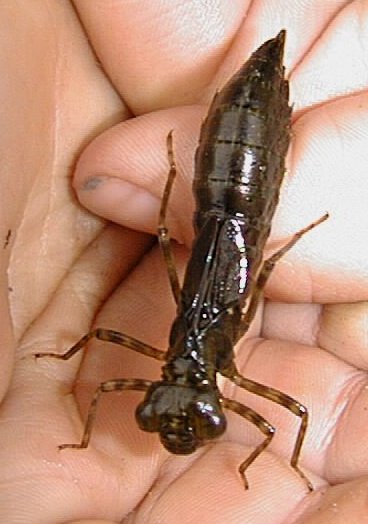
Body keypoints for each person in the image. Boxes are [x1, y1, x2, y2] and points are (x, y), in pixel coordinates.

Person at [1, 1, 368, 522]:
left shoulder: (161, 369)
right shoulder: (185, 365)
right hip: (232, 207)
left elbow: (107, 371)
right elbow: (295, 415)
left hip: (234, 204)